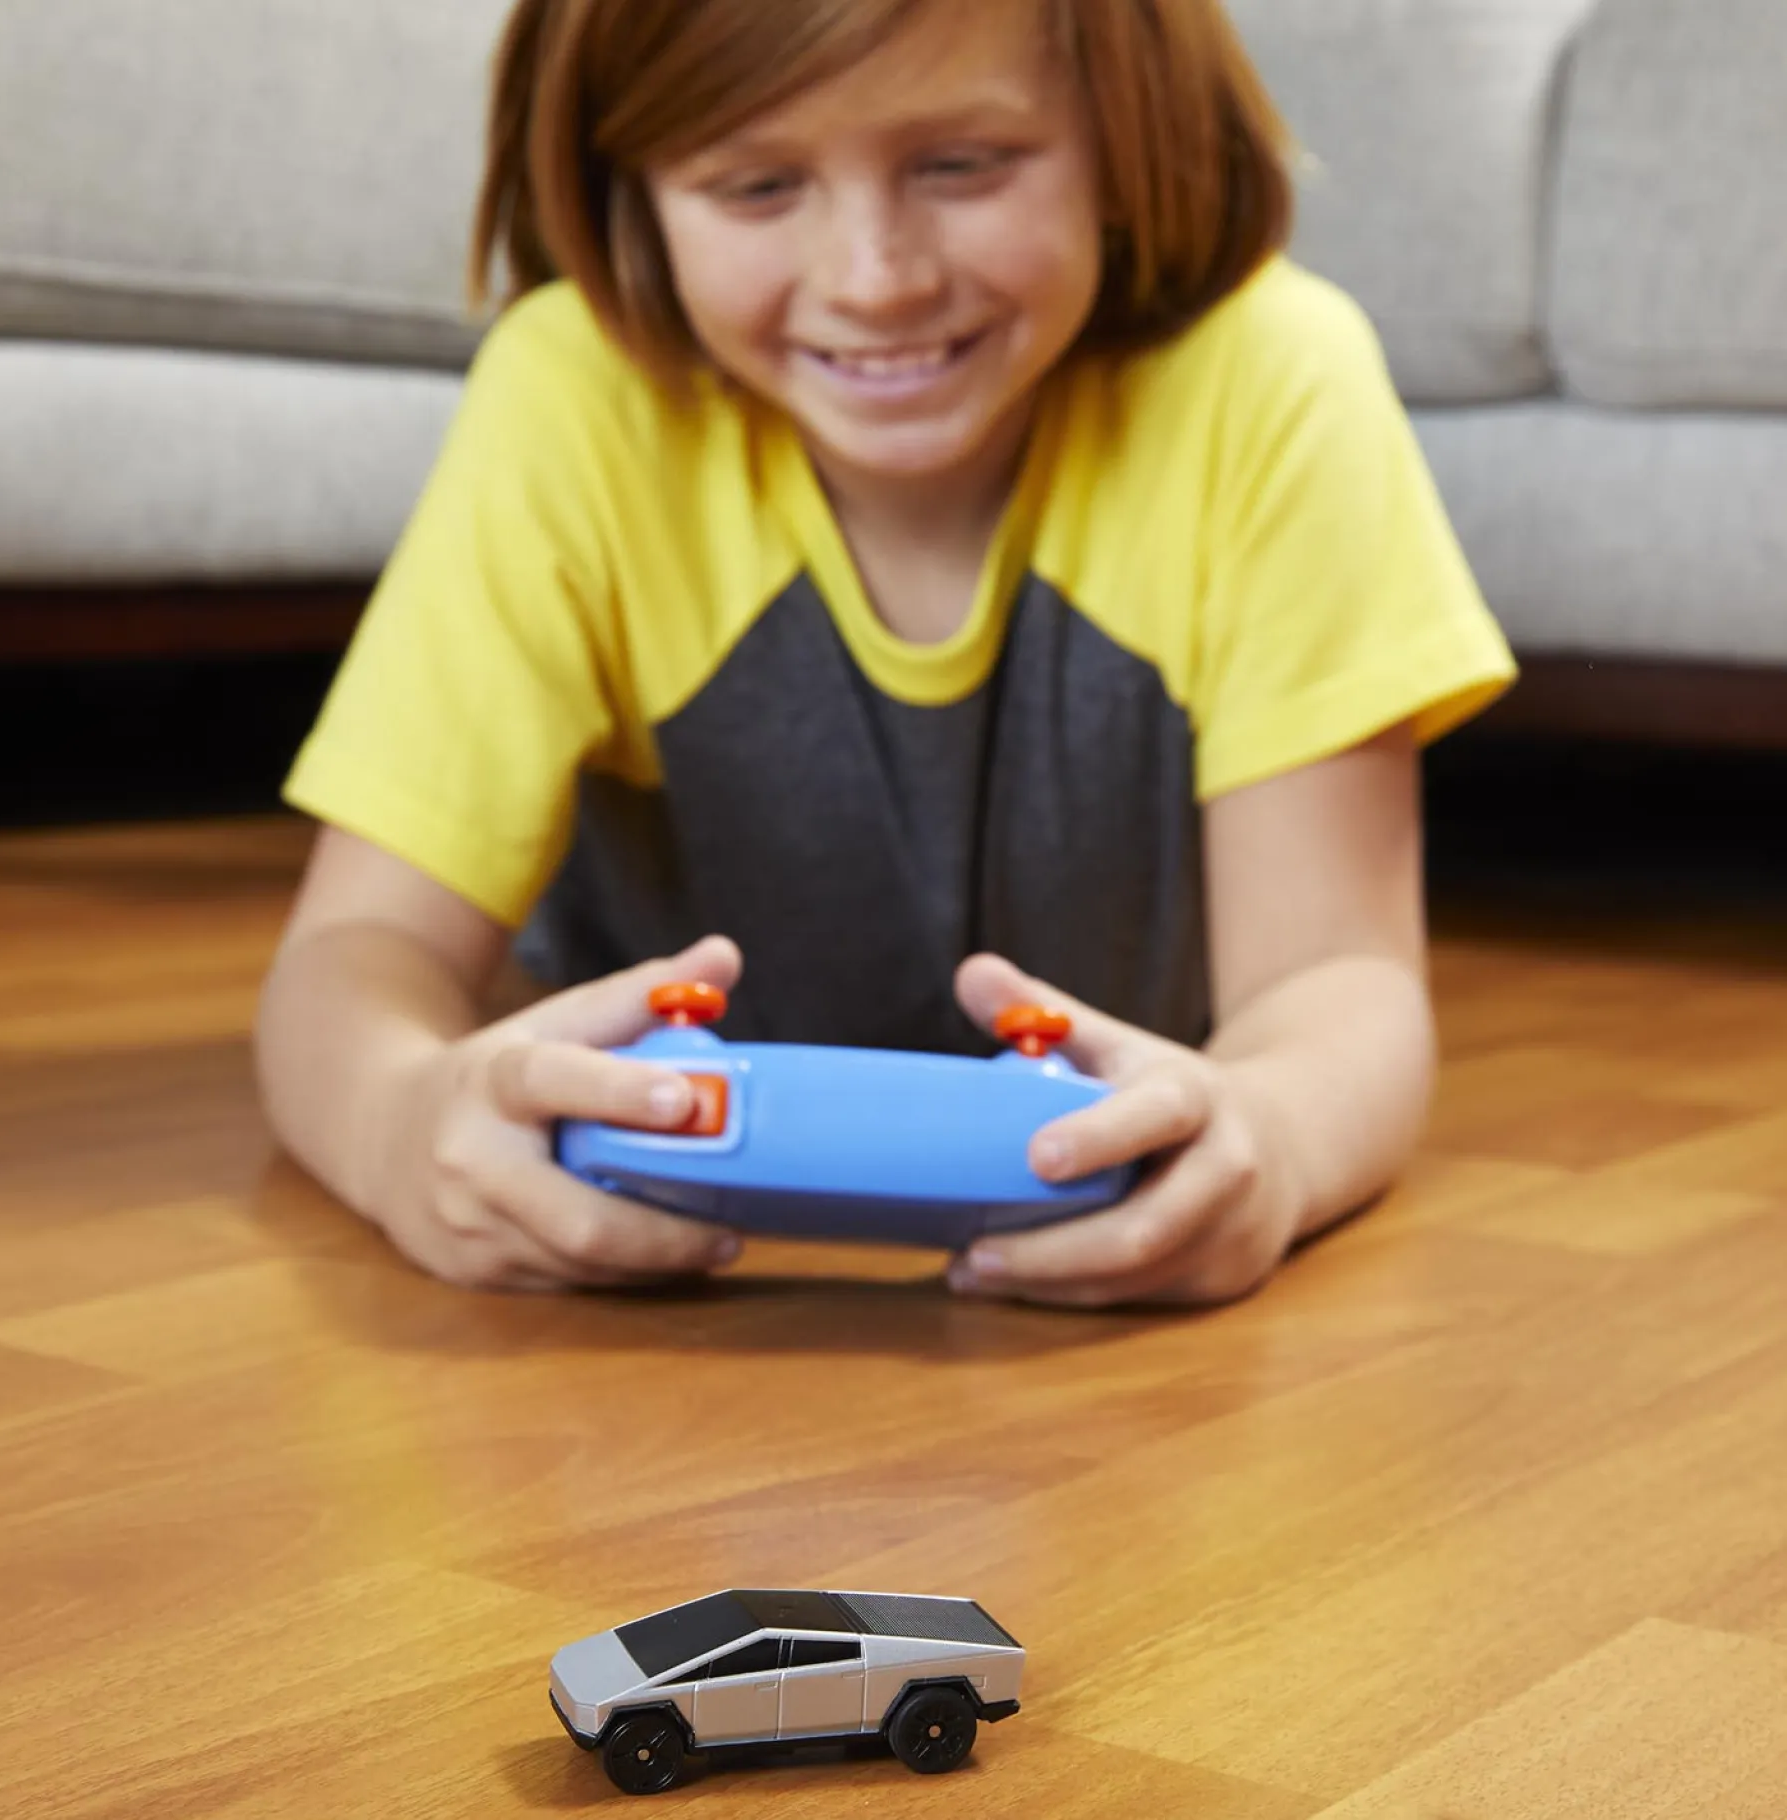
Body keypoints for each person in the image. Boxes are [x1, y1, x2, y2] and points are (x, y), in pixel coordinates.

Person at [254, 0, 1516, 1307]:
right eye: (757, 186)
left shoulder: (1274, 377)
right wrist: (401, 1120)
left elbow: (1336, 979)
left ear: (1128, 133)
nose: (876, 277)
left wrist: (1275, 1142)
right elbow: (354, 954)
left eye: (962, 165)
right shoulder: (573, 394)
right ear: (629, 189)